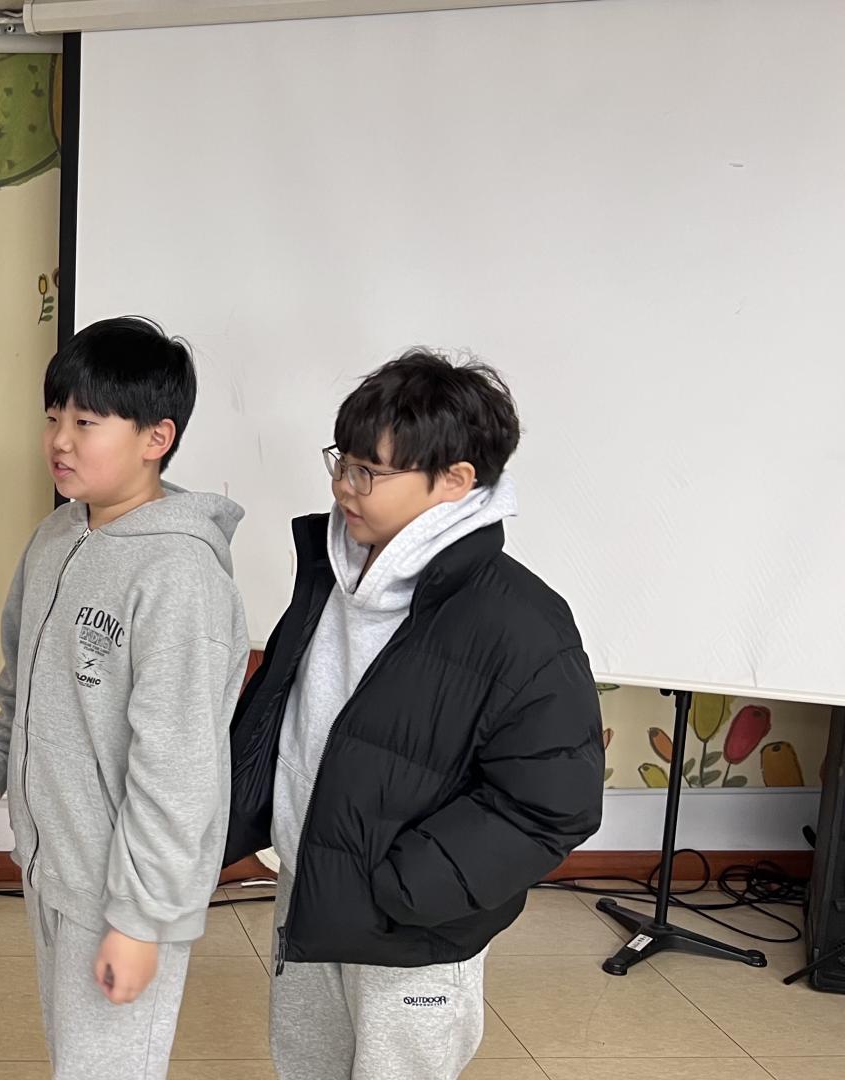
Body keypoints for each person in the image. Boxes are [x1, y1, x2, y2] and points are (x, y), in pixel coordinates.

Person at [225, 348, 603, 1080]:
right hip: (310, 887)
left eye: (370, 471)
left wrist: (402, 889)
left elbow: (553, 806)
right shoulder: (331, 572)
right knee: (306, 1065)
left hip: (411, 926)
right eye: (342, 462)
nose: (344, 485)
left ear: (455, 480)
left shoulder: (522, 623)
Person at [0, 316, 249, 1079]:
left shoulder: (179, 577)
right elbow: (25, 676)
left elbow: (178, 767)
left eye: (86, 422)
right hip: (55, 866)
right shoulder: (58, 536)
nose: (59, 440)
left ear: (157, 437)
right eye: (53, 417)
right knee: (77, 1060)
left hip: (122, 889)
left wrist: (141, 919)